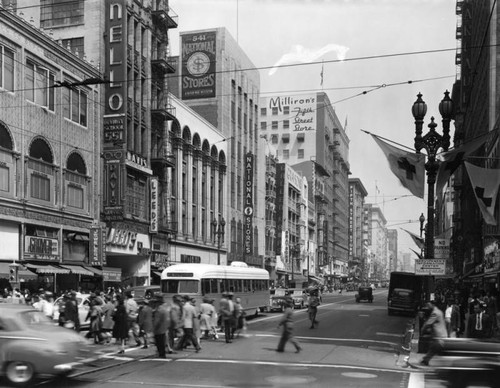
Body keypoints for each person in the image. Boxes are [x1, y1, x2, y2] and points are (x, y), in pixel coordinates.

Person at [420, 300, 447, 366]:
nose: (427, 307)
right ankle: (425, 360)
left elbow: (428, 323)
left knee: (435, 348)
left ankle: (425, 360)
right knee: (433, 348)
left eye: (428, 305)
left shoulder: (435, 313)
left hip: (438, 336)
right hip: (441, 335)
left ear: (433, 305)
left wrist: (422, 330)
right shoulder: (439, 311)